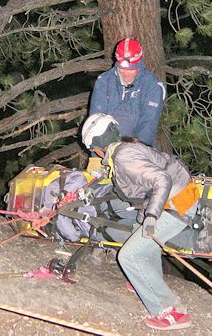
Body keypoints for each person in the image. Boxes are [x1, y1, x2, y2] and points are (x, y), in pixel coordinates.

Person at [82, 113, 199, 331]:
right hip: (177, 199)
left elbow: (162, 180)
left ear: (98, 145)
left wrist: (152, 216)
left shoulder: (124, 157)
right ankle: (145, 283)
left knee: (128, 256)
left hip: (176, 205)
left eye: (92, 149)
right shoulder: (124, 150)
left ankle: (171, 311)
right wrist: (145, 214)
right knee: (141, 237)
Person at [89, 38, 166, 147]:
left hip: (136, 151)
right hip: (105, 148)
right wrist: (102, 150)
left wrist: (130, 151)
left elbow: (148, 126)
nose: (126, 74)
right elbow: (96, 120)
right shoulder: (104, 81)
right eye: (122, 70)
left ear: (139, 65)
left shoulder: (152, 86)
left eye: (130, 70)